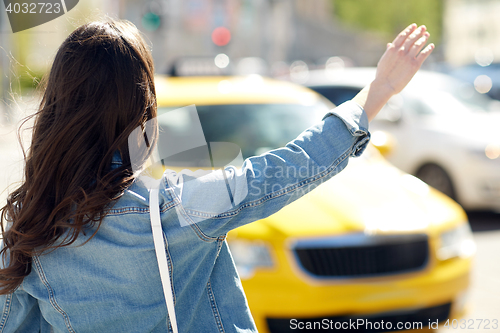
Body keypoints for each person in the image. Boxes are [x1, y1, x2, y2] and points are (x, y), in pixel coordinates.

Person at [0, 20, 433, 332]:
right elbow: (289, 166)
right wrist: (376, 93)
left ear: (56, 109)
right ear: (144, 109)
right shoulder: (177, 208)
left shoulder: (27, 231)